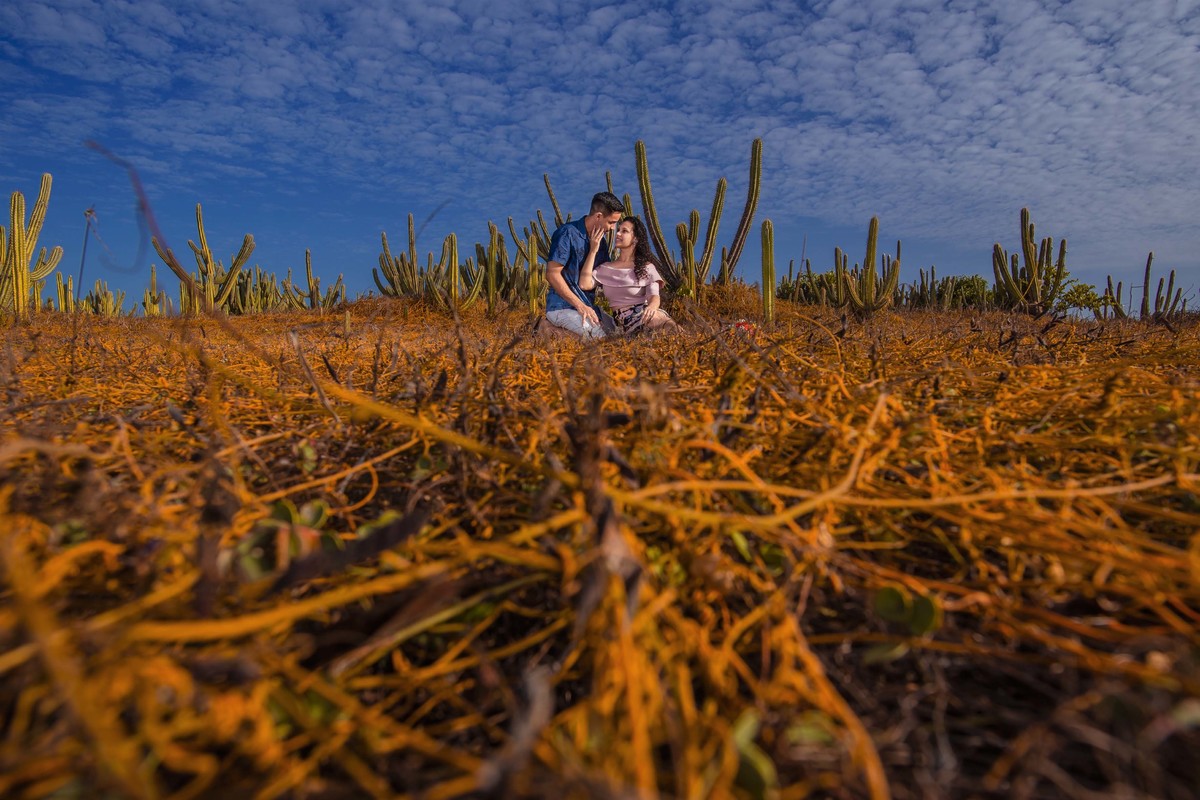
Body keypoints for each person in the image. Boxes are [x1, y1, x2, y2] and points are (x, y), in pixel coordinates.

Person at [544, 192, 625, 338]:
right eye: (611, 222)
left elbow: (604, 277)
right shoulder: (567, 233)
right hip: (562, 307)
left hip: (589, 308)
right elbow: (552, 274)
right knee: (600, 339)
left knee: (620, 336)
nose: (613, 228)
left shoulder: (601, 243)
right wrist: (580, 305)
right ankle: (546, 329)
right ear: (598, 216)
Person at [579, 216, 678, 334]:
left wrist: (652, 307)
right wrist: (593, 251)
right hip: (622, 322)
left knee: (670, 328)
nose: (618, 234)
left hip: (645, 314)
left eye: (624, 231)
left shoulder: (646, 267)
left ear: (635, 238)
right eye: (618, 230)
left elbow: (654, 296)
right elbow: (584, 285)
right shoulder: (605, 268)